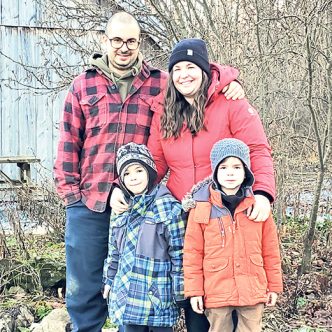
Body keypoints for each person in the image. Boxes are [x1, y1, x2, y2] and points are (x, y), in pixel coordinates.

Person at [53, 11, 243, 331]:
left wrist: (230, 80)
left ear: (139, 42)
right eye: (117, 40)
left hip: (140, 205)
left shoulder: (159, 83)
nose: (124, 48)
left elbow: (195, 76)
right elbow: (68, 143)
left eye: (131, 41)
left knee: (143, 281)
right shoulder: (83, 85)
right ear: (105, 41)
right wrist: (71, 195)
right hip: (91, 201)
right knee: (85, 290)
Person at [111, 38, 276, 332]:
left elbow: (258, 149)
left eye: (191, 67)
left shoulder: (230, 103)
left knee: (232, 297)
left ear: (204, 70)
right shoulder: (164, 110)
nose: (183, 74)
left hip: (223, 213)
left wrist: (262, 193)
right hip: (181, 216)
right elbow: (155, 163)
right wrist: (124, 188)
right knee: (195, 295)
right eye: (176, 69)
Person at [183, 138, 283, 332]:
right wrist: (195, 291)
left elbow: (270, 250)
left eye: (237, 167)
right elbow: (192, 254)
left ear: (246, 171)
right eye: (223, 167)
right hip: (217, 290)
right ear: (214, 172)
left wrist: (273, 286)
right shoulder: (201, 207)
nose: (230, 172)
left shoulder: (257, 206)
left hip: (252, 289)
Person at [102, 142, 185, 332]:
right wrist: (109, 280)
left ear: (149, 172)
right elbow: (113, 251)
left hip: (158, 294)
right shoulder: (120, 211)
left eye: (138, 170)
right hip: (126, 292)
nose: (133, 178)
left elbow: (179, 253)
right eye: (127, 174)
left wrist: (180, 290)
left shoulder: (168, 207)